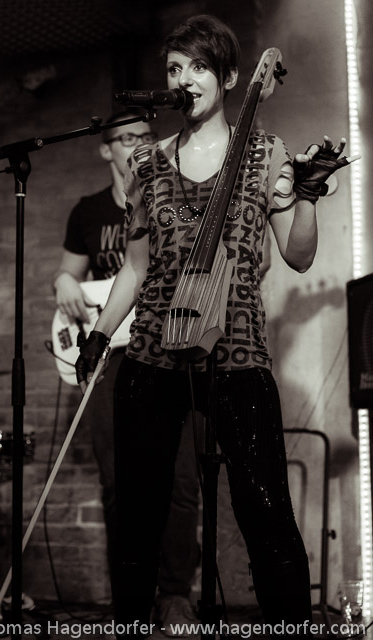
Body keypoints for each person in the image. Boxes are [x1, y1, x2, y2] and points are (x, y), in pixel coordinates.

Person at [75, 14, 356, 638]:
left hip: (237, 347)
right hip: (152, 348)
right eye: (175, 68)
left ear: (229, 78)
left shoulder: (264, 152)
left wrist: (307, 197)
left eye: (199, 66)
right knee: (139, 516)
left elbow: (299, 256)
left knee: (266, 511)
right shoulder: (148, 162)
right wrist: (99, 333)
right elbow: (136, 267)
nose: (184, 78)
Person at [53, 112, 200, 633]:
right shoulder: (88, 211)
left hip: (169, 344)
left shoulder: (174, 196)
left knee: (181, 478)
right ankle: (129, 600)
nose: (138, 144)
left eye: (145, 135)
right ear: (106, 149)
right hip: (109, 354)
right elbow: (70, 273)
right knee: (117, 481)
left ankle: (175, 595)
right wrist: (62, 282)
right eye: (127, 137)